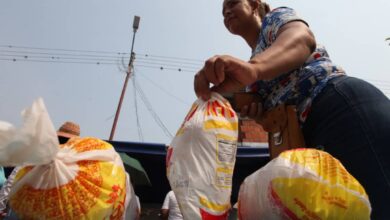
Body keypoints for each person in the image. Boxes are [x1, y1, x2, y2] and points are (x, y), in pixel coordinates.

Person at [193, 0, 390, 218]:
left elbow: (302, 39)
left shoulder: (275, 20)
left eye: (233, 3)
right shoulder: (254, 65)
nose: (227, 12)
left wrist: (254, 69)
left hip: (339, 109)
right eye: (222, 12)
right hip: (311, 141)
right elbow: (275, 105)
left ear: (254, 5)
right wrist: (258, 113)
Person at [0, 121, 81, 218]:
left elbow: (12, 181)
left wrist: (1, 207)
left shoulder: (37, 155)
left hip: (22, 209)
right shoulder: (76, 166)